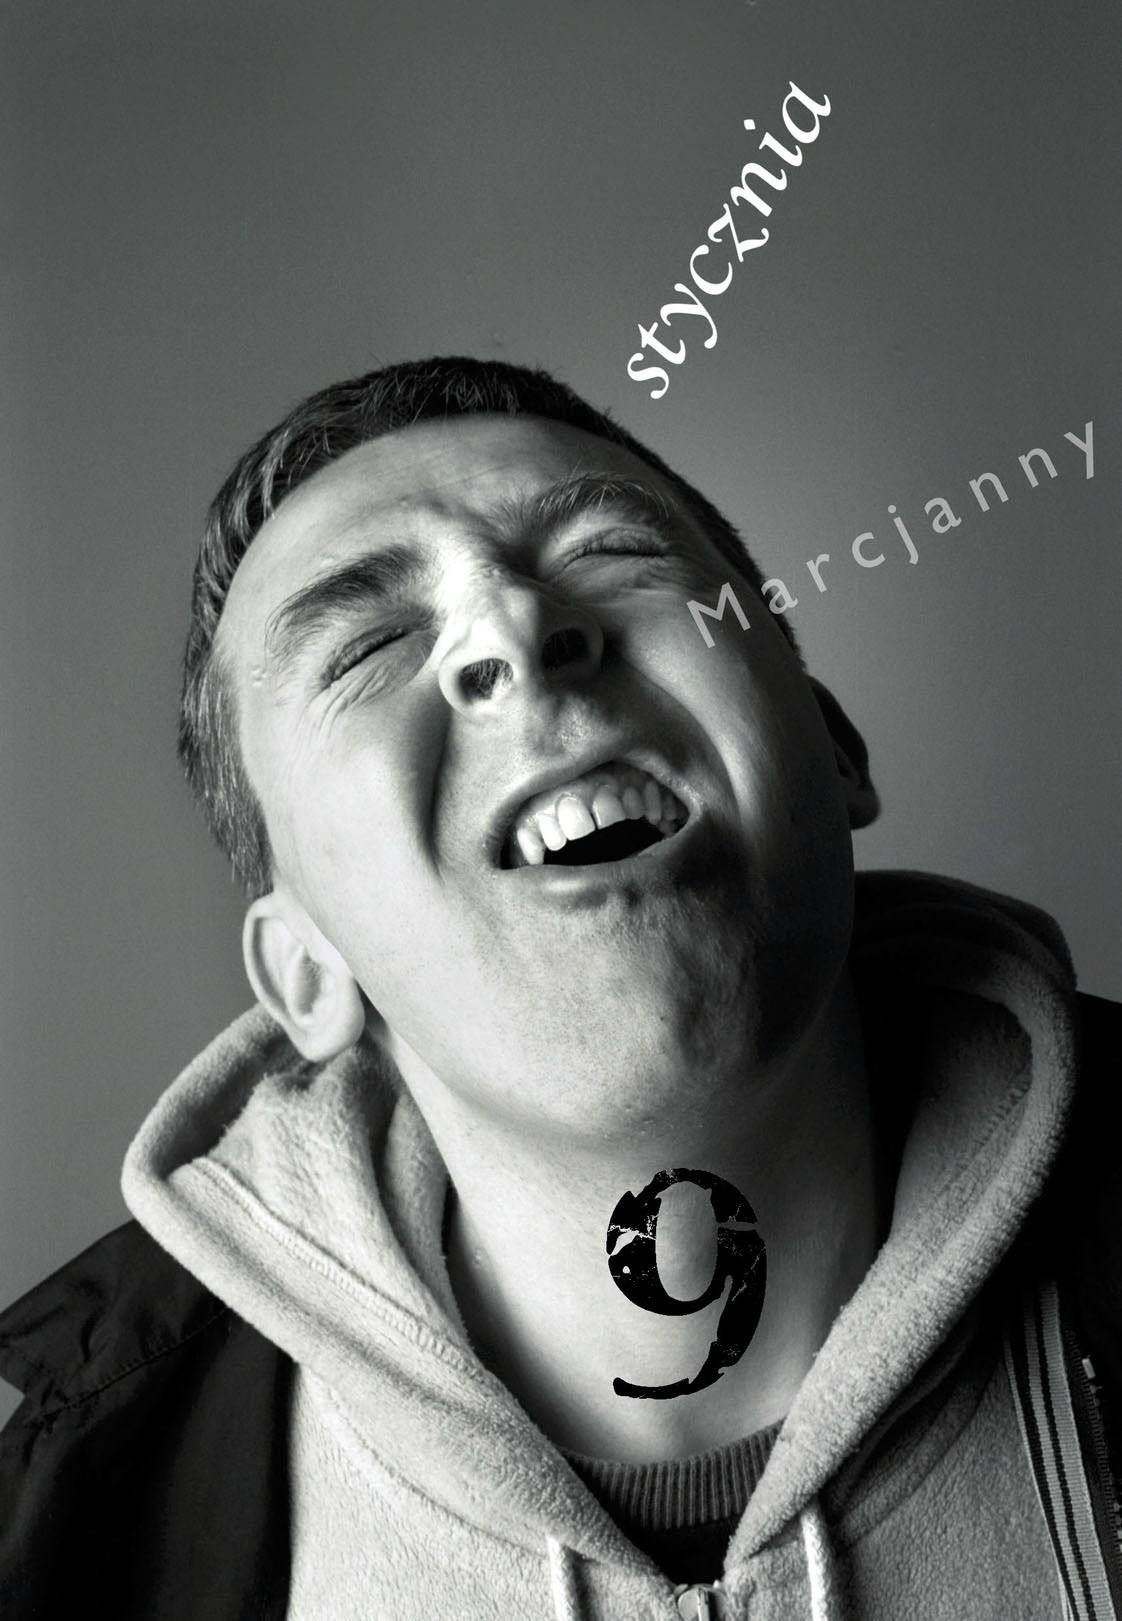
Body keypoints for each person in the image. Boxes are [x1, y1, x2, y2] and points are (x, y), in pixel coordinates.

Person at [0, 357, 1119, 1621]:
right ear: (305, 970)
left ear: (833, 748)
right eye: (369, 644)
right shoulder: (71, 1547)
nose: (515, 630)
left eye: (614, 557)